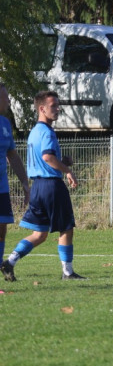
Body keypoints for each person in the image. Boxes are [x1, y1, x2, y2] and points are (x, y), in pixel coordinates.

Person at [1, 92, 84, 281]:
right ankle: (68, 272)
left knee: (39, 234)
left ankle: (10, 261)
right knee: (66, 228)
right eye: (53, 105)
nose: (58, 109)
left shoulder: (34, 132)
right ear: (42, 109)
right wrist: (67, 170)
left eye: (58, 105)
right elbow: (47, 157)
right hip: (51, 186)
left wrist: (62, 161)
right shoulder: (47, 131)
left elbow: (43, 158)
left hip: (37, 186)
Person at [0, 83, 30, 267]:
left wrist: (25, 184)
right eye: (5, 97)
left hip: (2, 188)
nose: (9, 101)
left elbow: (12, 155)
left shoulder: (4, 123)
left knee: (2, 229)